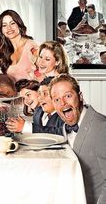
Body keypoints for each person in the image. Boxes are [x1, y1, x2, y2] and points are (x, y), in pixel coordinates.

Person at [49, 74, 106, 204]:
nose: (62, 103)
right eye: (56, 99)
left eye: (68, 96)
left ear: (80, 97)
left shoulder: (102, 127)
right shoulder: (64, 128)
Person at [0, 9, 39, 82]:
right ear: (1, 30)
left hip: (30, 91)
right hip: (12, 92)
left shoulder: (33, 47)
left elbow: (45, 73)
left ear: (19, 24)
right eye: (4, 25)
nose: (9, 28)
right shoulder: (5, 52)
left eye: (12, 23)